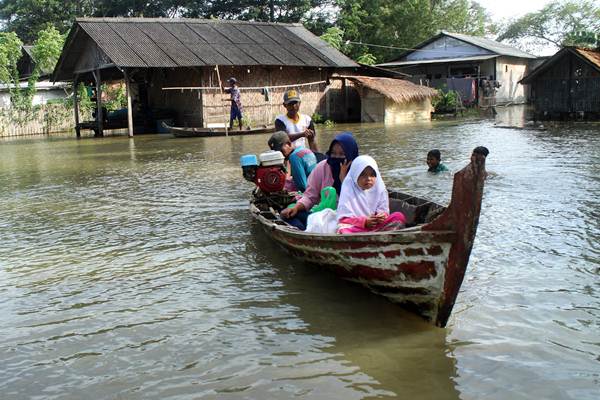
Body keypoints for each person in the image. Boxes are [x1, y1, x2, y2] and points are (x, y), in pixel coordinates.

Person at [280, 132, 359, 229]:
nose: (336, 158)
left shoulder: (359, 171)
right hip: (325, 217)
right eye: (333, 153)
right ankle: (304, 232)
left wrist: (343, 179)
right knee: (289, 215)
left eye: (342, 154)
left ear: (351, 155)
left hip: (352, 219)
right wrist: (296, 208)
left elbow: (359, 200)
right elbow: (310, 196)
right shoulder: (322, 167)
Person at [336, 155, 406, 234]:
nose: (368, 178)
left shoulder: (379, 188)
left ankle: (380, 234)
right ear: (355, 175)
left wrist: (380, 217)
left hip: (376, 225)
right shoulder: (348, 189)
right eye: (363, 174)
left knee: (398, 216)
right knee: (343, 230)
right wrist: (364, 222)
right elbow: (343, 219)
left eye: (372, 175)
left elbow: (384, 210)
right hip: (358, 227)